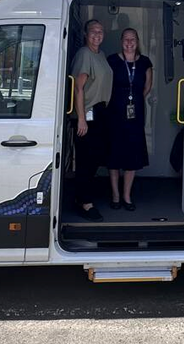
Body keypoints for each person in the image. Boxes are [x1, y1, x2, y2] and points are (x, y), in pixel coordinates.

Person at [70, 19, 113, 222]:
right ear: (86, 34)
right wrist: (80, 119)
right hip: (87, 114)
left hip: (100, 112)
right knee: (87, 160)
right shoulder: (84, 54)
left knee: (96, 157)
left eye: (100, 31)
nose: (97, 34)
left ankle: (82, 195)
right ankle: (84, 203)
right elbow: (78, 88)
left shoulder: (101, 54)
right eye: (93, 31)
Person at [106, 28, 153, 211]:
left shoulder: (145, 62)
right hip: (115, 114)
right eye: (126, 39)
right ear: (121, 41)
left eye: (132, 39)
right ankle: (116, 195)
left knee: (132, 155)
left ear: (137, 41)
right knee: (114, 155)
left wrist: (132, 99)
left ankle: (127, 196)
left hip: (135, 115)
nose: (129, 43)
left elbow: (147, 87)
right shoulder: (112, 60)